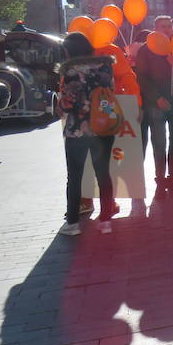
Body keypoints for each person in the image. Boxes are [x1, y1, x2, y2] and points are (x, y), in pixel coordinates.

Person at [56, 32, 116, 236]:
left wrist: (59, 105)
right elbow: (110, 94)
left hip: (77, 130)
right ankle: (106, 221)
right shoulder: (106, 67)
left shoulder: (70, 71)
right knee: (103, 174)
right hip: (103, 127)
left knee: (74, 177)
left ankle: (72, 223)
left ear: (69, 50)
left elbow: (67, 104)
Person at [135, 15, 173, 195]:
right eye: (162, 26)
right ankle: (160, 181)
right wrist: (156, 98)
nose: (167, 29)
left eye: (169, 26)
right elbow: (142, 77)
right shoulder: (146, 49)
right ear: (155, 29)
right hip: (156, 103)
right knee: (159, 143)